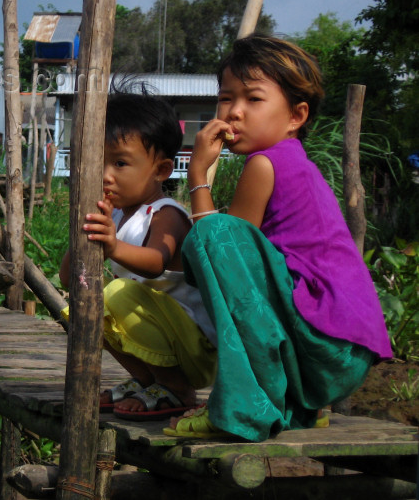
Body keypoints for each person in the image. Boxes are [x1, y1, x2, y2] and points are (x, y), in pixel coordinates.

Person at [164, 34, 393, 441]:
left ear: (296, 116)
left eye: (253, 99)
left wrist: (197, 174)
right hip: (341, 352)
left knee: (216, 233)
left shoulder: (266, 164)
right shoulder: (293, 162)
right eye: (225, 98)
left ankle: (242, 408)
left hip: (327, 349)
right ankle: (302, 408)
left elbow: (214, 255)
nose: (234, 113)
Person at [59, 90, 217, 421]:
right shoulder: (115, 216)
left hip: (195, 348)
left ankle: (177, 388)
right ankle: (148, 380)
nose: (105, 175)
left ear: (160, 170)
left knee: (117, 292)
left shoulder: (166, 214)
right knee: (79, 309)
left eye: (119, 163)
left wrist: (113, 247)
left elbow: (156, 262)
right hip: (163, 338)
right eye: (96, 161)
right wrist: (83, 236)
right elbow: (68, 278)